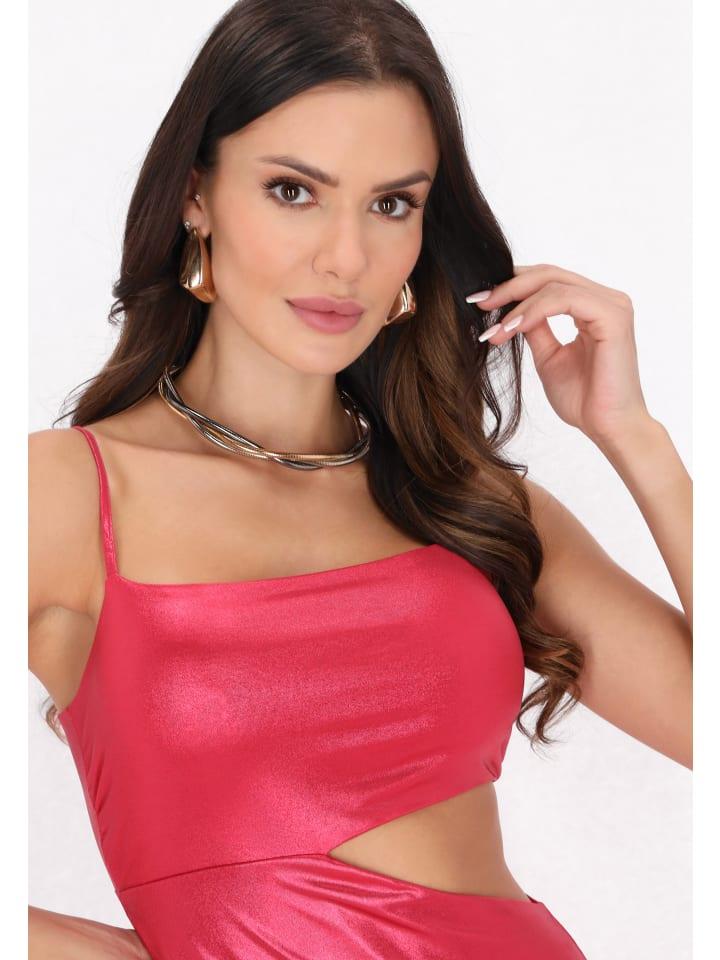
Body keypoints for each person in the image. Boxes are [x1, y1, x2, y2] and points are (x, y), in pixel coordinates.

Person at [28, 0, 692, 957]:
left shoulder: (471, 508)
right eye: (293, 190)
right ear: (195, 195)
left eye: (391, 204)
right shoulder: (67, 494)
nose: (346, 259)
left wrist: (636, 439)